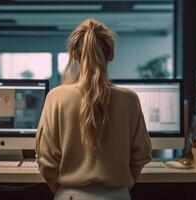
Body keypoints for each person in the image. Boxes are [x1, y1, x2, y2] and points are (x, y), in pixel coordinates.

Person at [36, 19, 152, 200]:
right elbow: (140, 158)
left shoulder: (56, 98)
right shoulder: (130, 100)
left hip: (69, 195)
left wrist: (65, 192)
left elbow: (46, 164)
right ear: (111, 53)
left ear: (74, 54)